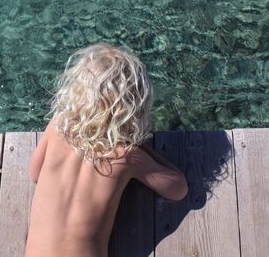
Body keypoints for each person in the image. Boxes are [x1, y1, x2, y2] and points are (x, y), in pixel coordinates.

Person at [25, 43, 188, 257]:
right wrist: (139, 148)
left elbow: (34, 174)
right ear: (133, 108)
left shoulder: (58, 125)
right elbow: (178, 190)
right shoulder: (125, 156)